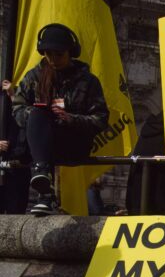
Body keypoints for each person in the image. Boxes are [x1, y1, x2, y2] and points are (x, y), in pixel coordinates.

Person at [11, 23, 109, 215]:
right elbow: (18, 108)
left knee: (43, 119)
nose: (53, 59)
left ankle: (44, 185)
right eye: (48, 54)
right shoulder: (34, 77)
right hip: (40, 146)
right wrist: (39, 116)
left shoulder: (88, 81)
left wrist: (71, 119)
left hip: (73, 143)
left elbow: (101, 118)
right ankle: (44, 188)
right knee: (37, 112)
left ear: (70, 53)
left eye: (59, 54)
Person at [0, 80, 31, 214]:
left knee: (17, 210)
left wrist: (13, 96)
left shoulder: (21, 91)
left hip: (18, 161)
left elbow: (29, 121)